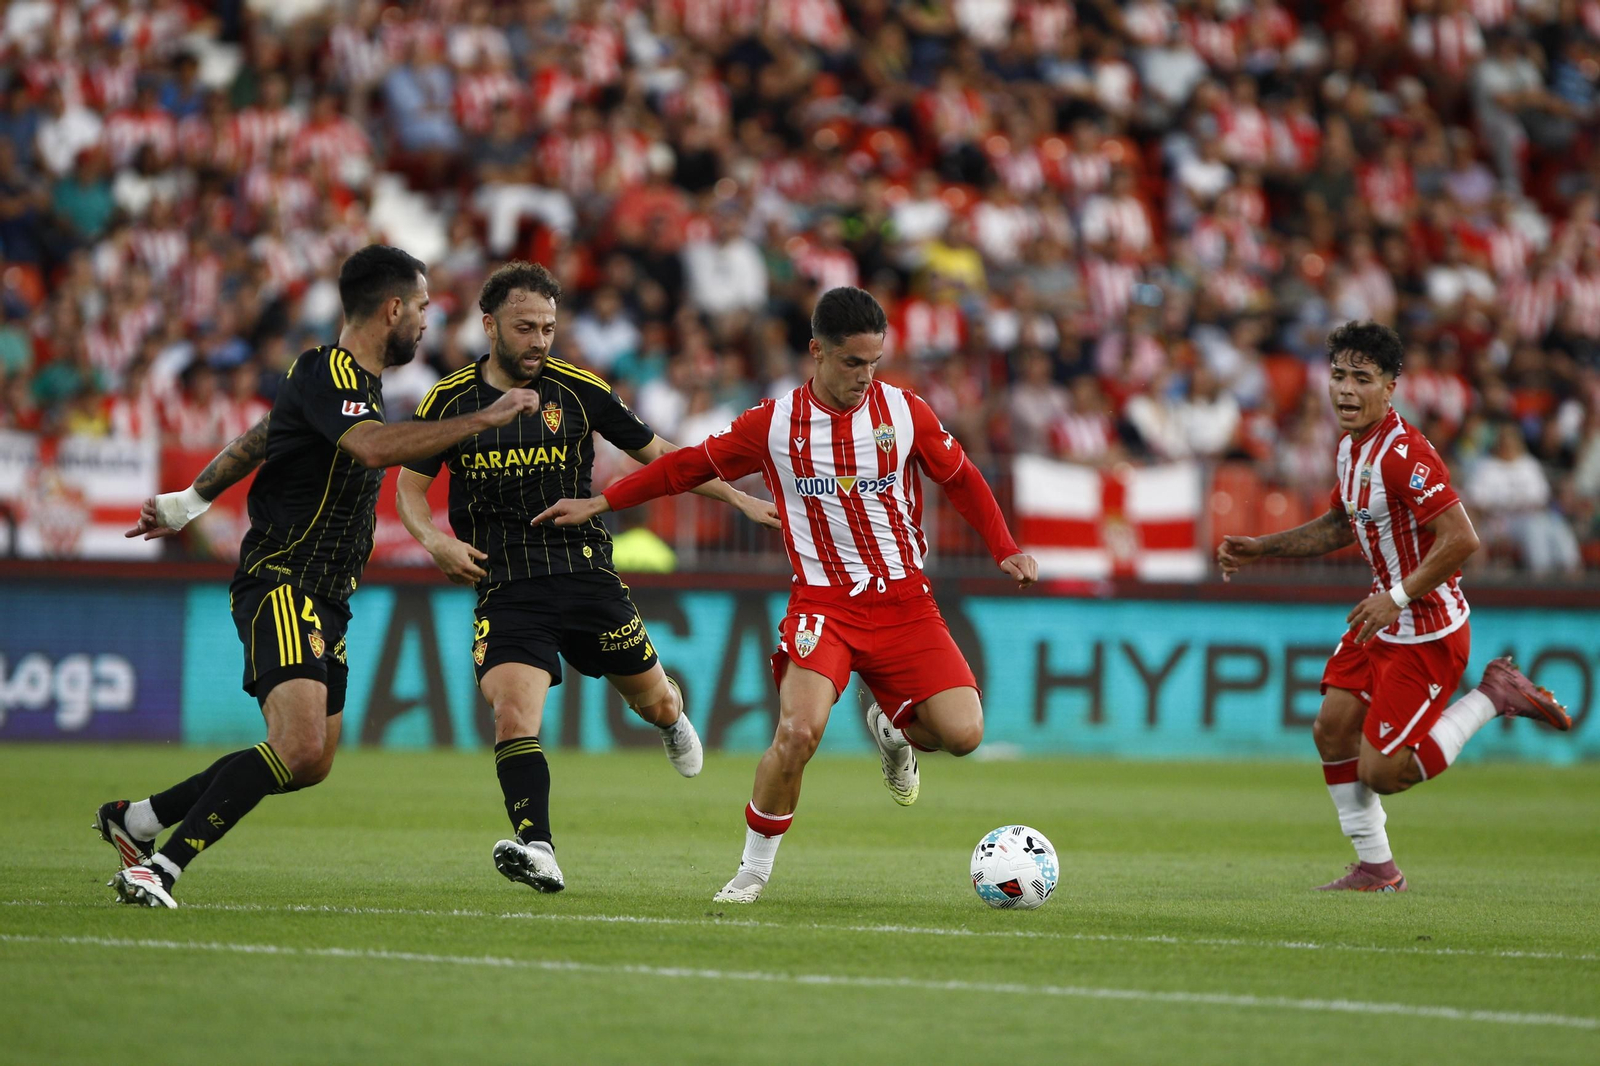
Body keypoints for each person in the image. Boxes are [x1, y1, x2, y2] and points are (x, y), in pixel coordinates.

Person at [533, 286, 1039, 903]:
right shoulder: (774, 424)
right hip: (824, 606)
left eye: (874, 362)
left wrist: (1004, 546)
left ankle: (893, 729)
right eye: (852, 362)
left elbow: (961, 477)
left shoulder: (905, 413)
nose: (865, 376)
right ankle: (753, 870)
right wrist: (601, 502)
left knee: (963, 736)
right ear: (817, 352)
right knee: (798, 733)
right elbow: (687, 466)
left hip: (906, 601)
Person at [97, 245, 544, 908]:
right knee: (298, 742)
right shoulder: (328, 369)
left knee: (312, 761)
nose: (427, 321)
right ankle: (159, 868)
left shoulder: (345, 385)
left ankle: (136, 820)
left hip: (328, 596)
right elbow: (372, 448)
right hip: (285, 577)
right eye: (421, 308)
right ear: (392, 309)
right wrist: (484, 415)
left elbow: (261, 436)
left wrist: (189, 501)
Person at [394, 260, 779, 894]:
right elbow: (409, 487)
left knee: (657, 702)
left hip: (585, 576)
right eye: (525, 327)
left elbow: (663, 457)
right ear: (489, 326)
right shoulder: (449, 401)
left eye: (548, 327)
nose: (539, 340)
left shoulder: (578, 389)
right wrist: (435, 541)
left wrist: (738, 498)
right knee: (513, 714)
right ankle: (538, 848)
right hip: (508, 584)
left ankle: (671, 720)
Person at [1217, 321, 1571, 892]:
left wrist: (1398, 596)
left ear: (1390, 387)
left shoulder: (1405, 455)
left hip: (1426, 627)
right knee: (1332, 730)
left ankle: (1493, 695)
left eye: (1362, 378)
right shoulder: (1350, 447)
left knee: (1384, 772)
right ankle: (1377, 869)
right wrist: (1264, 547)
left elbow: (1462, 538)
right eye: (1338, 376)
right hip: (1381, 617)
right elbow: (1340, 524)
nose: (1346, 389)